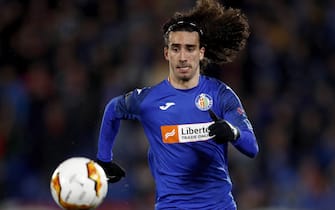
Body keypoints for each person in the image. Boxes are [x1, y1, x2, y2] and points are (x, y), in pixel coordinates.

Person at [96, 0, 259, 209]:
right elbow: (112, 109)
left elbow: (252, 147)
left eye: (190, 48)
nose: (182, 57)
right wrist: (104, 160)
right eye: (176, 48)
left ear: (201, 52)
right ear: (167, 53)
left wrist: (233, 133)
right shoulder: (149, 100)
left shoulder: (221, 95)